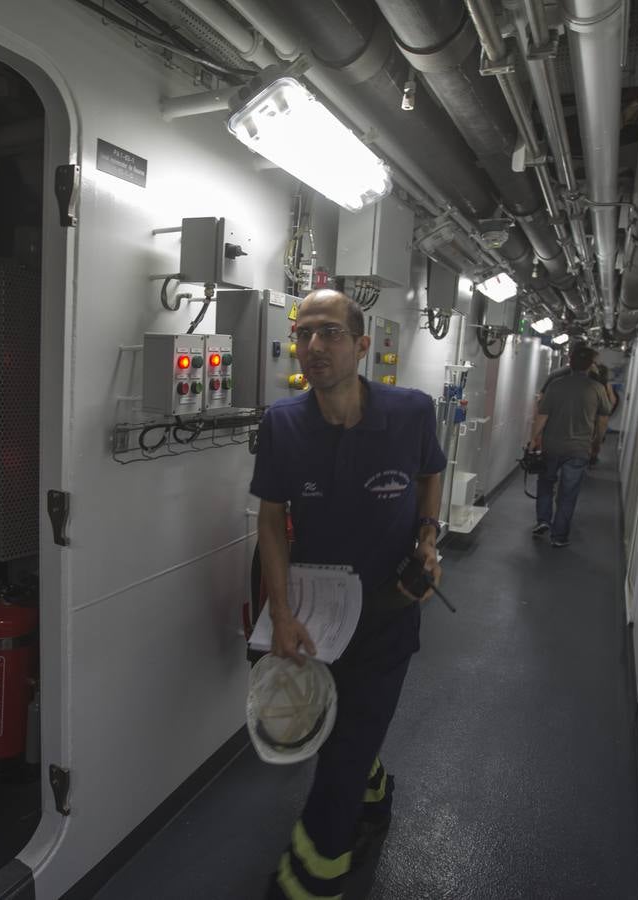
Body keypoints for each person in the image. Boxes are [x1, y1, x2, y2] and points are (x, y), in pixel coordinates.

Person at [250, 289, 446, 900]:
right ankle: (375, 784)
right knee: (342, 736)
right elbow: (270, 521)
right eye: (304, 333)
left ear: (362, 346)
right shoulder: (283, 424)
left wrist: (428, 538)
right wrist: (281, 614)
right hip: (317, 616)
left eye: (331, 333)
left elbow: (429, 471)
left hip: (388, 612)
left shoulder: (411, 412)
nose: (314, 346)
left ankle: (310, 878)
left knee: (338, 763)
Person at [527, 345, 611, 548]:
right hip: (579, 450)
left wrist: (533, 439)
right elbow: (602, 420)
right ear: (591, 365)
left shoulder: (555, 385)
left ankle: (543, 520)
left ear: (570, 361)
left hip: (552, 447)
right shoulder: (597, 389)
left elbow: (542, 416)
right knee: (568, 492)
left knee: (546, 483)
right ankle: (559, 536)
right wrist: (597, 442)